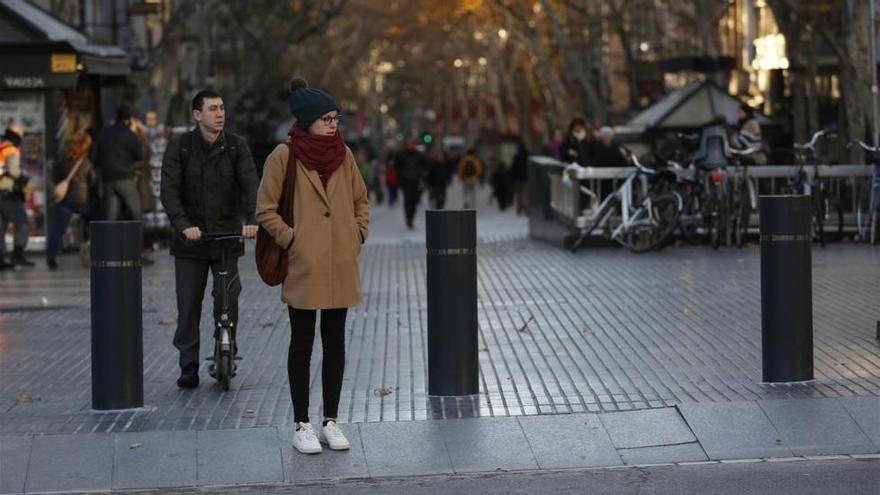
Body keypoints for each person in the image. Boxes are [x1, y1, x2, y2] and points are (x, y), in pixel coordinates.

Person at [255, 77, 369, 455]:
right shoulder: (284, 156)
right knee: (302, 343)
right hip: (304, 263)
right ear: (306, 121)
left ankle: (331, 421)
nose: (333, 125)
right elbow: (264, 210)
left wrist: (358, 233)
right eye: (325, 119)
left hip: (340, 260)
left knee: (335, 342)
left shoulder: (345, 155)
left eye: (336, 118)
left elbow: (360, 200)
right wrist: (293, 239)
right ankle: (302, 423)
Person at [160, 89, 259, 390]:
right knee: (188, 305)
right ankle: (188, 365)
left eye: (222, 108)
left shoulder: (236, 147)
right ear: (197, 114)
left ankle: (226, 348)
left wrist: (253, 220)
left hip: (227, 239)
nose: (220, 114)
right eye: (213, 109)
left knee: (228, 298)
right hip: (191, 243)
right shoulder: (180, 147)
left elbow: (251, 185)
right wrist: (183, 225)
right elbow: (169, 191)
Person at [46, 132, 98, 269]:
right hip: (82, 201)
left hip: (65, 201)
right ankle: (91, 250)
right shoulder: (86, 163)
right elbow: (93, 182)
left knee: (58, 228)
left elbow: (56, 178)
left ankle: (51, 256)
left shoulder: (61, 160)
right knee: (94, 222)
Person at [92, 105, 144, 222]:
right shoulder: (130, 135)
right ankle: (138, 239)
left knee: (110, 216)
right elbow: (138, 156)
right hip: (125, 178)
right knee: (136, 212)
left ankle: (109, 240)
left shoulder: (103, 133)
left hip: (108, 179)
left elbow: (94, 157)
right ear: (128, 120)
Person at [0, 122, 33, 268]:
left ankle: (1, 260)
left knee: (1, 228)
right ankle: (18, 256)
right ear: (17, 134)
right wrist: (24, 179)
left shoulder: (1, 146)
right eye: (22, 134)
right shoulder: (11, 149)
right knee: (23, 224)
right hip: (7, 193)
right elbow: (14, 172)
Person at [393, 140, 427, 229]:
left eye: (413, 144)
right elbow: (396, 166)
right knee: (407, 199)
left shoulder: (419, 155)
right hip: (405, 181)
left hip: (416, 180)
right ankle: (408, 218)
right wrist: (402, 174)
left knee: (414, 200)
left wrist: (421, 174)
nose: (411, 146)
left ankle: (411, 217)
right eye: (410, 144)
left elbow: (425, 165)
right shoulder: (401, 154)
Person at [510, 140, 529, 215]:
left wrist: (514, 177)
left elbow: (513, 168)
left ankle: (519, 209)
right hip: (526, 177)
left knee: (519, 194)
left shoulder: (516, 156)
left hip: (518, 178)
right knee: (525, 193)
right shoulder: (527, 156)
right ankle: (526, 208)